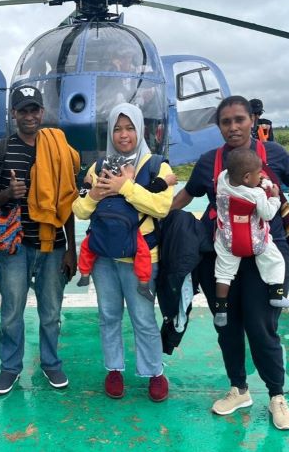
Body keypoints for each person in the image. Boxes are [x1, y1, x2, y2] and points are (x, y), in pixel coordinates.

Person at [171, 95, 289, 430]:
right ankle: (238, 389)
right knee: (226, 326)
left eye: (239, 119)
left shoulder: (275, 154)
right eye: (226, 122)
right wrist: (158, 214)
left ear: (252, 120)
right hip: (221, 255)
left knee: (261, 326)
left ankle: (276, 395)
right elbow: (188, 194)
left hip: (266, 253)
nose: (233, 127)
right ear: (219, 126)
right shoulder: (210, 161)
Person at [72, 102, 174, 402]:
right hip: (104, 257)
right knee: (108, 315)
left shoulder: (157, 166)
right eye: (117, 128)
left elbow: (162, 207)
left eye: (130, 128)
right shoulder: (97, 168)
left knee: (143, 318)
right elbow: (79, 210)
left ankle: (154, 372)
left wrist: (125, 187)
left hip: (141, 259)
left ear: (140, 129)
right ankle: (114, 369)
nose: (123, 135)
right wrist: (94, 194)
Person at [0, 85, 79, 395]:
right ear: (13, 113)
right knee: (12, 311)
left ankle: (51, 362)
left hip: (53, 246)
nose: (29, 116)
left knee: (51, 311)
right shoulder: (0, 149)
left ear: (42, 111)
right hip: (16, 245)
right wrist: (9, 194)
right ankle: (10, 367)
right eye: (23, 110)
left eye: (34, 109)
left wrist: (72, 250)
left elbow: (68, 200)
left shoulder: (58, 147)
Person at [213, 147, 289, 329]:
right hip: (255, 240)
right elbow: (268, 214)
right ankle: (276, 294)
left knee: (223, 274)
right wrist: (275, 197)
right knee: (275, 260)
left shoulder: (223, 181)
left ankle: (221, 309)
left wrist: (256, 178)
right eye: (258, 174)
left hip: (227, 239)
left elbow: (235, 174)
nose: (260, 177)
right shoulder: (256, 194)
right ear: (247, 178)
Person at [76, 171, 177, 288]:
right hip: (113, 228)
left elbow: (154, 189)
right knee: (87, 246)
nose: (118, 177)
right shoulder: (102, 189)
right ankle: (84, 273)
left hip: (121, 228)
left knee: (142, 250)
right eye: (116, 173)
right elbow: (154, 188)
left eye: (125, 173)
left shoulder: (132, 190)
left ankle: (143, 281)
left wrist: (166, 181)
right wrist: (88, 184)